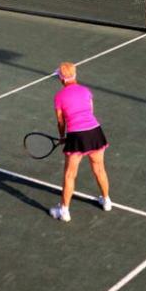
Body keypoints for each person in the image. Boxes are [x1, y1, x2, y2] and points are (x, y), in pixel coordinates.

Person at [49, 60, 111, 222]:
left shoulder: (59, 96)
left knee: (70, 175)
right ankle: (106, 201)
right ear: (75, 75)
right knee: (99, 169)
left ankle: (64, 211)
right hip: (95, 132)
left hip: (76, 136)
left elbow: (61, 121)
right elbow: (90, 111)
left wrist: (62, 137)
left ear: (62, 78)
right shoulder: (86, 91)